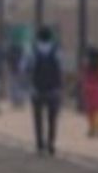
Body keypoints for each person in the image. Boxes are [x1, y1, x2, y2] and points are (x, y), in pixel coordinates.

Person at [23, 27, 66, 156]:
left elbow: (25, 67)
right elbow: (61, 68)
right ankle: (51, 143)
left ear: (38, 37)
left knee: (38, 118)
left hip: (37, 88)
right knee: (52, 118)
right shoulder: (57, 50)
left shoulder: (32, 50)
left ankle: (39, 144)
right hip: (53, 89)